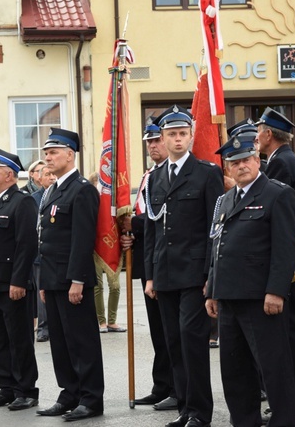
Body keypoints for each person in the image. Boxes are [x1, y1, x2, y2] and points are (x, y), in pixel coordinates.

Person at [205, 136, 295, 427]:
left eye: (246, 159)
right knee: (234, 368)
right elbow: (218, 247)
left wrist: (276, 291)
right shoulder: (226, 199)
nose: (241, 166)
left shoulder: (276, 194)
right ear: (228, 168)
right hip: (229, 297)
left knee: (273, 367)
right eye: (234, 162)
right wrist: (212, 289)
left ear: (258, 161)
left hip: (261, 298)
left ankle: (284, 421)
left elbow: (285, 249)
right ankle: (245, 421)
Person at [144, 105, 224, 427]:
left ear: (191, 136)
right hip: (165, 274)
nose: (177, 139)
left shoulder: (206, 173)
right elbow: (152, 231)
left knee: (192, 342)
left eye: (182, 133)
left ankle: (199, 412)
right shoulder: (155, 178)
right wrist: (150, 275)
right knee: (173, 343)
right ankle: (184, 408)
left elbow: (215, 228)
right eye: (171, 134)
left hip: (194, 274)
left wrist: (210, 275)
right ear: (162, 138)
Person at [35, 128, 104, 421]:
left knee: (81, 341)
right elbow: (44, 237)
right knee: (61, 342)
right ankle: (69, 393)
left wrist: (77, 279)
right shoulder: (52, 189)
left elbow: (82, 238)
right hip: (52, 278)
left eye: (53, 152)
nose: (48, 157)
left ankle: (90, 398)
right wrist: (42, 281)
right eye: (46, 153)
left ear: (70, 155)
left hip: (72, 279)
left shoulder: (82, 189)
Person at [255, 107, 295, 422]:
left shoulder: (282, 165)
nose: (256, 136)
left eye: (259, 130)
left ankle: (294, 405)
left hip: (286, 262)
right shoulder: (282, 161)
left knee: (287, 338)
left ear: (269, 134)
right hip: (290, 260)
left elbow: (274, 214)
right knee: (288, 336)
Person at [0, 149, 40, 411]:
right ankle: (7, 388)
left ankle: (26, 390)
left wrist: (19, 282)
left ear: (9, 175)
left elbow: (26, 246)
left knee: (19, 339)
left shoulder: (22, 202)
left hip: (12, 285)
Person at [120, 121, 176, 410]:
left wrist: (135, 224)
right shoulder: (149, 175)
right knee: (157, 329)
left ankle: (176, 388)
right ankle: (162, 384)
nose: (153, 146)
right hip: (149, 260)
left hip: (169, 262)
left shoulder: (171, 175)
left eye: (157, 141)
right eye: (149, 142)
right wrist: (130, 236)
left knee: (170, 330)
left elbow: (161, 218)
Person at [30, 165, 56, 343]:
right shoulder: (33, 199)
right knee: (41, 293)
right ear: (39, 178)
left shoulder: (61, 193)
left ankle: (56, 326)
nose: (51, 177)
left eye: (53, 174)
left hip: (56, 252)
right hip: (39, 253)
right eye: (47, 175)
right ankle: (43, 327)